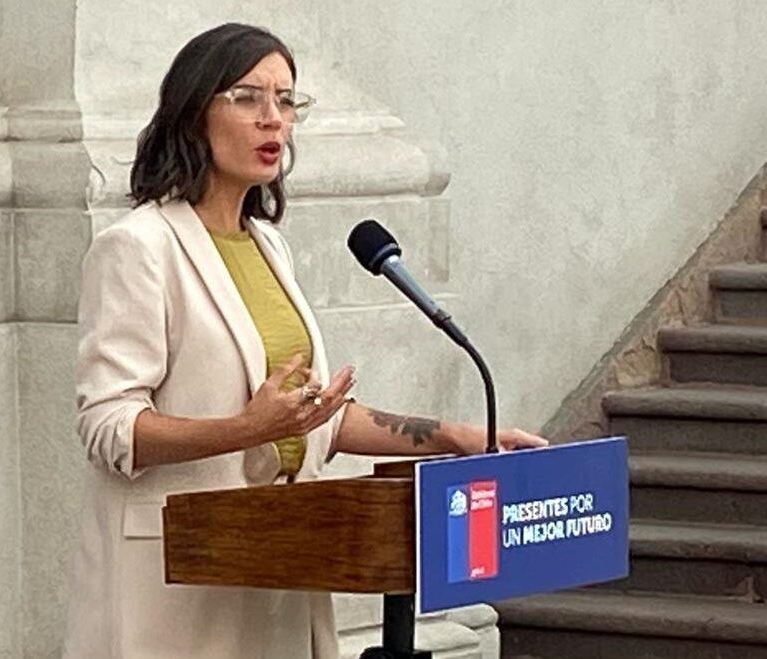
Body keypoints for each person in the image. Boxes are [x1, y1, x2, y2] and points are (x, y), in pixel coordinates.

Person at [63, 23, 546, 659]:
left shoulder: (269, 246)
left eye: (286, 100)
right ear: (193, 112)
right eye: (247, 98)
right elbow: (109, 428)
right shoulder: (137, 248)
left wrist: (455, 437)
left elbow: (313, 419)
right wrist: (246, 429)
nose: (273, 119)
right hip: (175, 587)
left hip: (279, 569)